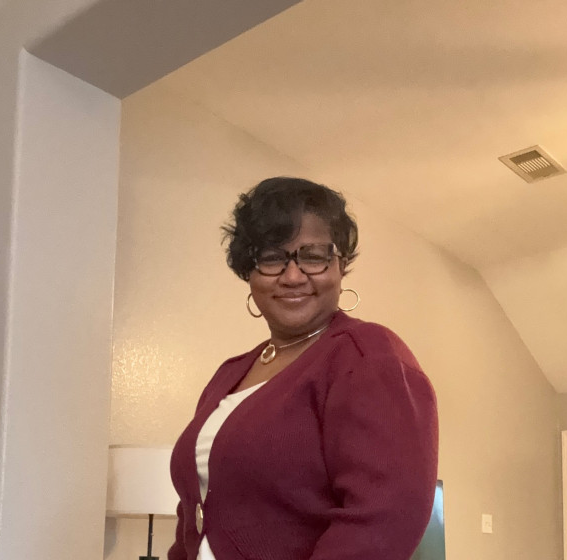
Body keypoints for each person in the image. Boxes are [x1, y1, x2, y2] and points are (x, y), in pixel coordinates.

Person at [168, 177, 438, 560]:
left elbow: (384, 520)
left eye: (313, 256)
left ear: (340, 265)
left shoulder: (366, 356)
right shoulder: (228, 375)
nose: (293, 276)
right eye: (272, 257)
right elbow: (192, 518)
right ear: (249, 271)